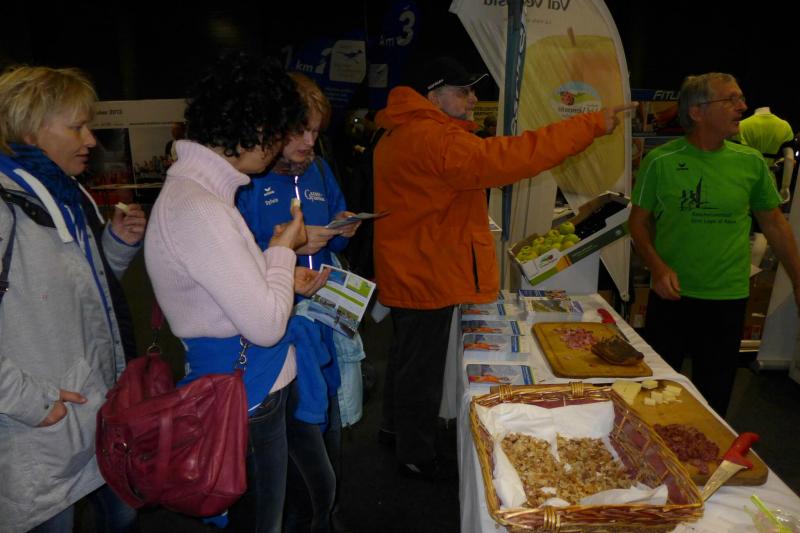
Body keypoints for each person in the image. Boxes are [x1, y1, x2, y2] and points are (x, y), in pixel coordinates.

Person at [373, 55, 634, 480]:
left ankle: (395, 431)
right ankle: (415, 453)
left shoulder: (400, 131)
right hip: (427, 269)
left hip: (412, 264)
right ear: (433, 97)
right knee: (421, 366)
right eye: (463, 91)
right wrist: (587, 125)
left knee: (408, 355)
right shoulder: (435, 138)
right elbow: (512, 157)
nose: (472, 98)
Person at [144, 52, 327, 533]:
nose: (281, 143)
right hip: (244, 391)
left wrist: (273, 265)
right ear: (256, 127)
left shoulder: (202, 194)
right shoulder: (198, 206)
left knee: (300, 501)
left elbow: (226, 291)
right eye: (279, 130)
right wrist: (283, 252)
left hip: (254, 381)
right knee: (264, 520)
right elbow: (265, 325)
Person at [0, 66, 145, 532]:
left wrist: (115, 248)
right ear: (29, 129)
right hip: (39, 434)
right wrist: (34, 403)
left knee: (122, 516)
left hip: (93, 415)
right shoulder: (6, 206)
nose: (90, 140)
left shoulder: (64, 195)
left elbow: (81, 296)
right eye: (76, 127)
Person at [629, 72, 800, 416]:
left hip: (727, 298)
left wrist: (798, 280)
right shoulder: (659, 161)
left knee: (714, 399)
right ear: (697, 111)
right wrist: (657, 268)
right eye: (731, 100)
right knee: (657, 395)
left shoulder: (750, 162)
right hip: (672, 298)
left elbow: (775, 225)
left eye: (741, 98)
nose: (742, 106)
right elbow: (637, 223)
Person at [236, 71, 360, 532]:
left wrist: (345, 227)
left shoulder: (320, 171)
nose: (310, 142)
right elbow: (236, 262)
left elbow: (336, 240)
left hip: (325, 318)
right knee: (293, 437)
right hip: (277, 327)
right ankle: (302, 516)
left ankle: (327, 514)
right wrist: (288, 248)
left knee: (330, 421)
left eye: (315, 132)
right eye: (300, 131)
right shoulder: (246, 183)